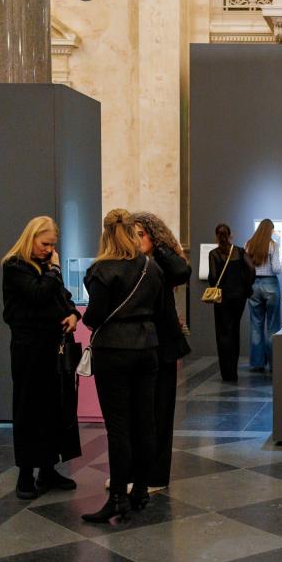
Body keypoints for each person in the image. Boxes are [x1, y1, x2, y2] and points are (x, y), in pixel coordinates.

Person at [81, 209, 164, 523]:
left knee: (118, 427)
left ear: (106, 233)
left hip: (113, 351)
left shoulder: (101, 269)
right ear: (133, 232)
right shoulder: (150, 266)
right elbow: (156, 309)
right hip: (147, 349)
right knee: (146, 422)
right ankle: (140, 489)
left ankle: (117, 496)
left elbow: (96, 315)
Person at [1, 217, 82, 499]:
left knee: (53, 407)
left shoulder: (48, 269)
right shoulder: (14, 266)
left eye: (52, 245)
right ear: (32, 238)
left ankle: (48, 468)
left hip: (52, 348)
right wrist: (56, 268)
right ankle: (25, 473)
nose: (49, 250)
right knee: (28, 407)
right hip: (28, 349)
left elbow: (63, 297)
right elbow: (38, 295)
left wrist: (73, 314)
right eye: (45, 244)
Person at [132, 212, 192, 492]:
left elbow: (182, 270)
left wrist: (157, 243)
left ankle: (156, 476)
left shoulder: (163, 260)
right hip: (137, 344)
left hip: (162, 345)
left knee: (160, 412)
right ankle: (133, 473)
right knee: (136, 412)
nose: (136, 240)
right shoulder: (130, 260)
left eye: (141, 234)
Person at [208, 223, 255, 381]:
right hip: (239, 297)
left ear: (217, 236)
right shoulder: (240, 251)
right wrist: (246, 287)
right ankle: (233, 371)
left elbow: (214, 277)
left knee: (223, 332)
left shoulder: (214, 254)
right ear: (230, 235)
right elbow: (251, 269)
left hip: (222, 297)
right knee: (235, 330)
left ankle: (226, 373)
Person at [245, 219, 282, 371]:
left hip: (253, 286)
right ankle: (274, 363)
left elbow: (246, 267)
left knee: (256, 325)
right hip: (270, 285)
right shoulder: (273, 245)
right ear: (270, 230)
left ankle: (257, 363)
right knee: (273, 326)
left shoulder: (249, 244)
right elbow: (276, 268)